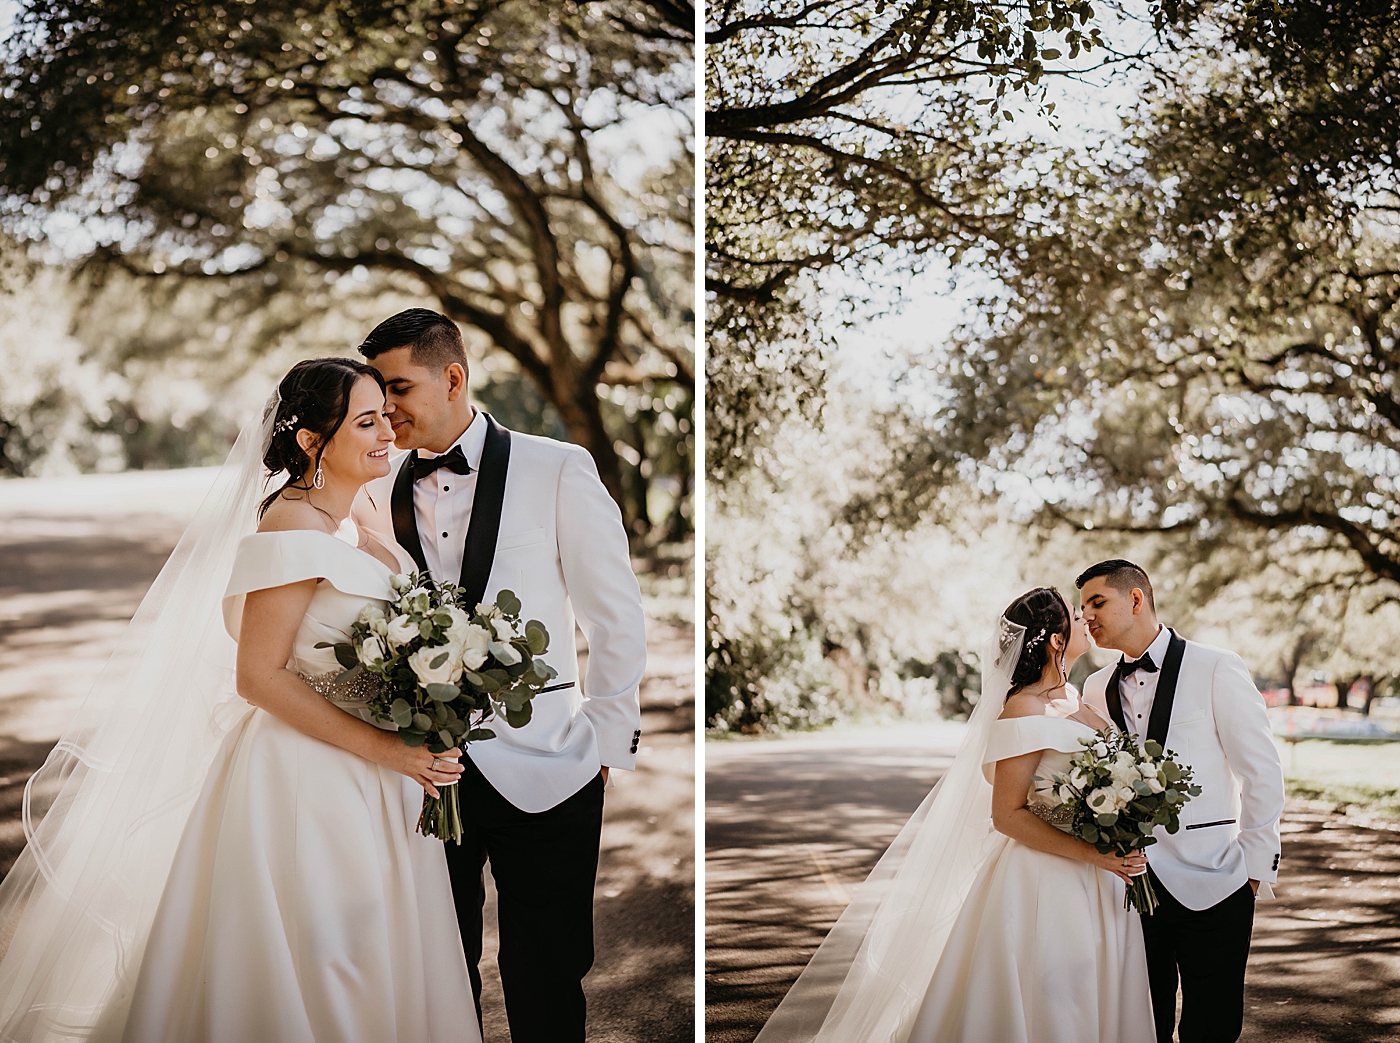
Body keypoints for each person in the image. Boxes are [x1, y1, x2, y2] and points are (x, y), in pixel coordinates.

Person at [0, 358, 479, 1041]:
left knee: (378, 953)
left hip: (379, 779)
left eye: (385, 414)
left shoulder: (355, 518)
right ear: (313, 441)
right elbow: (257, 675)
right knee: (327, 964)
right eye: (366, 420)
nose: (388, 430)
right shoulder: (290, 529)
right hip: (309, 784)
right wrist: (387, 747)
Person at [351, 309, 648, 1042]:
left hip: (551, 760)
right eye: (377, 394)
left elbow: (614, 612)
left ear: (453, 377)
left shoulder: (558, 466)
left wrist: (607, 744)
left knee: (546, 975)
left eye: (399, 387)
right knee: (436, 974)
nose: (387, 410)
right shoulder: (372, 486)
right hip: (422, 775)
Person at [753, 587, 1155, 1043]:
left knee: (1095, 992)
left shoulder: (1078, 700)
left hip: (1101, 878)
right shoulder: (1022, 708)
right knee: (1056, 999)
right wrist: (1092, 853)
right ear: (1056, 643)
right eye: (1075, 617)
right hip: (1047, 881)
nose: (1086, 620)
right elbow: (1007, 815)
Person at [1076, 559, 1284, 1043]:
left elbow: (1261, 770)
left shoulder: (1216, 666)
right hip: (1131, 893)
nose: (1087, 616)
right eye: (1083, 606)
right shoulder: (1095, 688)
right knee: (1140, 1026)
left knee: (1211, 1028)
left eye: (1097, 602)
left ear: (1136, 599)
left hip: (1217, 881)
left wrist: (1255, 870)